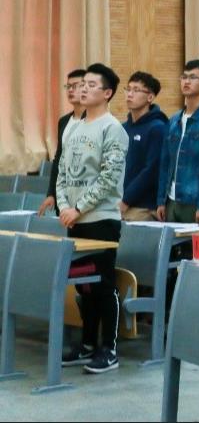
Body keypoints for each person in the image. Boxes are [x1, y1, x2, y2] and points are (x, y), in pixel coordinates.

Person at [57, 63, 128, 374]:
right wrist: (64, 206)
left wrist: (79, 207)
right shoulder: (72, 127)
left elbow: (109, 178)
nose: (82, 89)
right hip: (75, 219)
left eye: (90, 85)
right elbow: (62, 172)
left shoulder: (113, 129)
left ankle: (108, 349)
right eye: (81, 84)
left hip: (101, 219)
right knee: (83, 286)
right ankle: (86, 344)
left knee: (102, 284)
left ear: (107, 93)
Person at [157, 60, 199, 225]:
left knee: (195, 243)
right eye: (184, 77)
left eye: (193, 77)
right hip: (171, 201)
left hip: (196, 202)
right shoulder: (173, 121)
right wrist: (161, 200)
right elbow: (165, 164)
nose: (186, 81)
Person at [121, 72, 168, 222]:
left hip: (144, 205)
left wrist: (126, 200)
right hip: (120, 201)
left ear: (150, 97)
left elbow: (151, 170)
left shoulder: (157, 128)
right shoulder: (123, 128)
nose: (130, 94)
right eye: (128, 89)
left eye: (136, 90)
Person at [40, 69, 86, 216]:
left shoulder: (94, 120)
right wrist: (51, 193)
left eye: (75, 86)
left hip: (85, 195)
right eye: (68, 86)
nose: (70, 90)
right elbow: (58, 158)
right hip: (64, 195)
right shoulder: (64, 121)